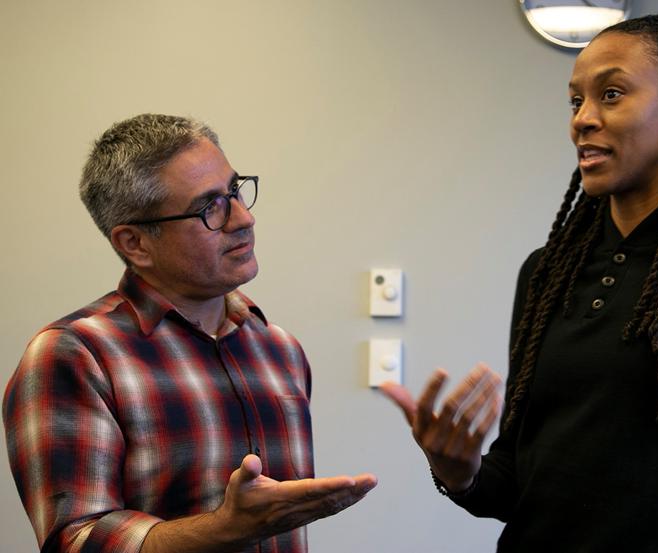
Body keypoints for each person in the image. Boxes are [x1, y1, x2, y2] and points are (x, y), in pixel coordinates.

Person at [381, 14, 658, 552]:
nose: (583, 120)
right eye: (575, 101)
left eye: (611, 94)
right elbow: (513, 485)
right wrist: (460, 472)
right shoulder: (547, 274)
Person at [3, 113, 377, 553]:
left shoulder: (279, 348)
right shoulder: (74, 354)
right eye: (209, 207)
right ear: (135, 244)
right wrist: (225, 528)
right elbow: (76, 540)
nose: (243, 218)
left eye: (235, 191)